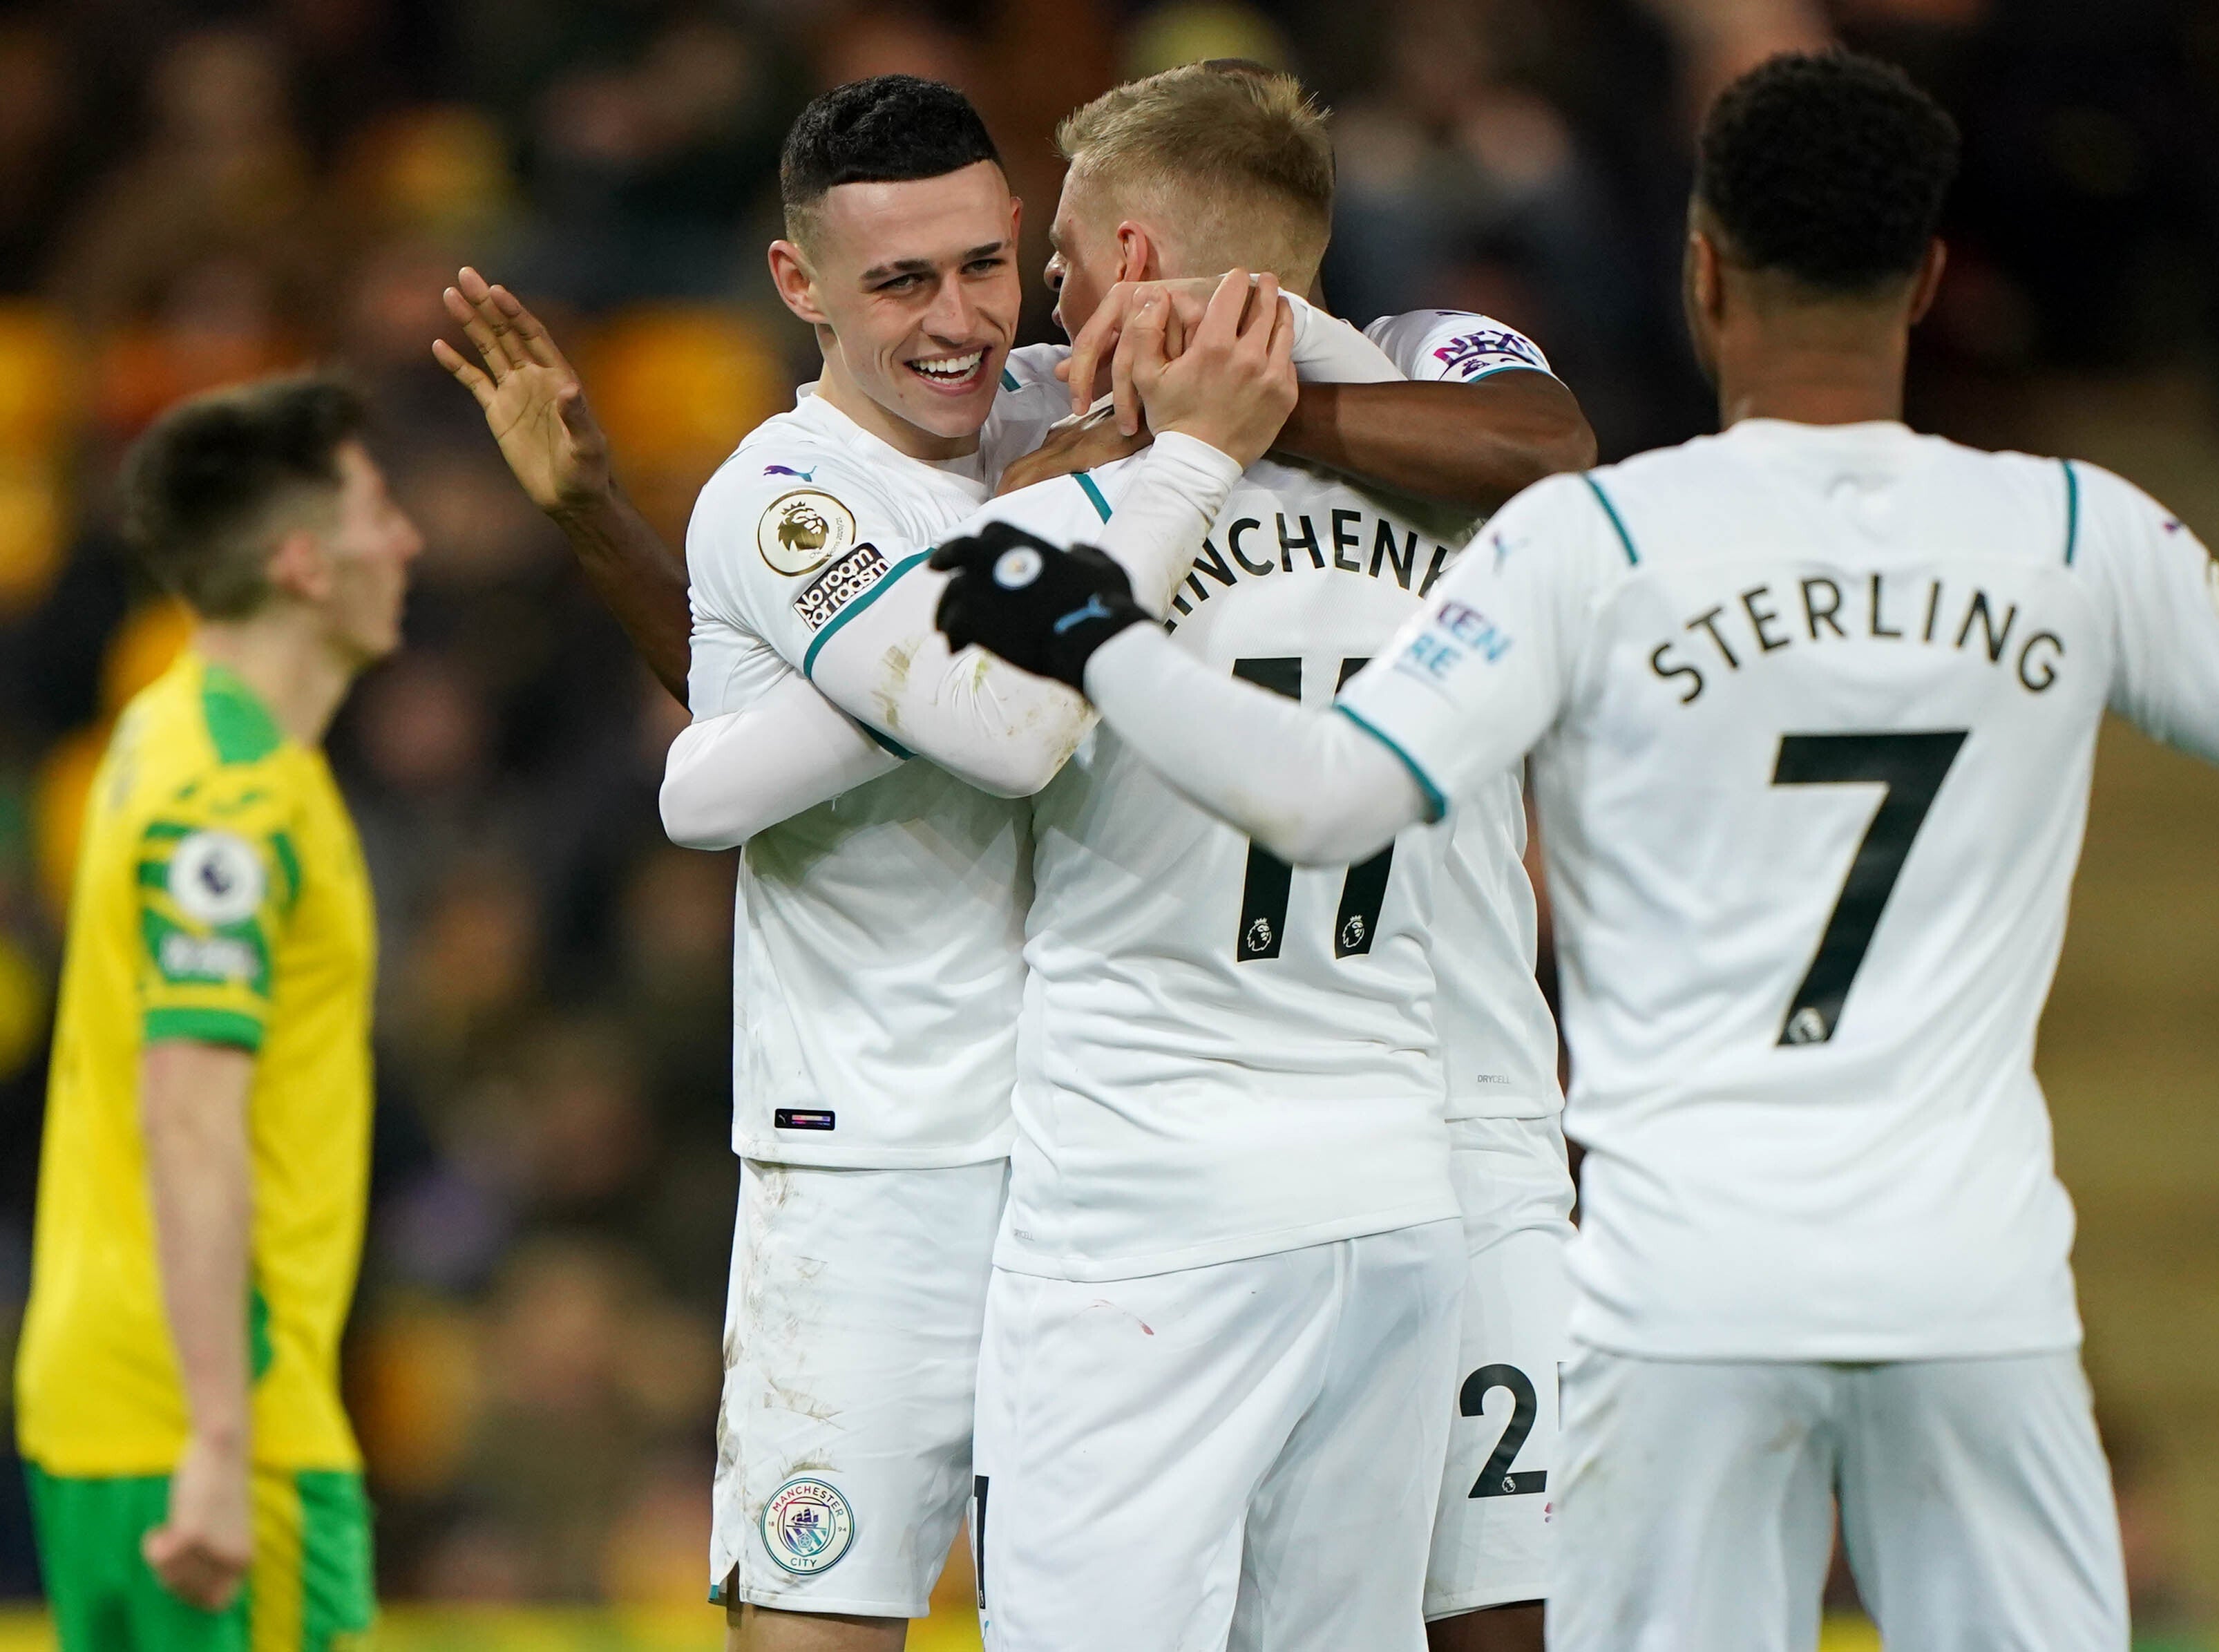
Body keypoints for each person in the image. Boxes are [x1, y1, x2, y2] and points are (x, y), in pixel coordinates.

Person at [928, 50, 2219, 1652]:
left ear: (1702, 272)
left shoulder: (1606, 549)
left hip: (1678, 1271)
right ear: (1928, 278)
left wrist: (1108, 639)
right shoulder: (2073, 528)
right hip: (1969, 1267)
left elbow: (1320, 794)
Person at [436, 71, 1585, 1651]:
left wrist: (1203, 430)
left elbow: (1549, 442)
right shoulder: (913, 454)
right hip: (980, 1149)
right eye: (914, 279)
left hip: (1175, 1167)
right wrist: (627, 567)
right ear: (806, 285)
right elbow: (916, 692)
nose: (988, 316)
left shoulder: (1193, 397)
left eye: (1008, 264)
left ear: (1103, 249)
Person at [15, 377, 423, 1651]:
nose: (405, 540)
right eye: (377, 510)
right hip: (215, 1423)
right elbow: (189, 1115)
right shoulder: (235, 801)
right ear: (304, 562)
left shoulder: (162, 735)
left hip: (103, 1403)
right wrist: (218, 1440)